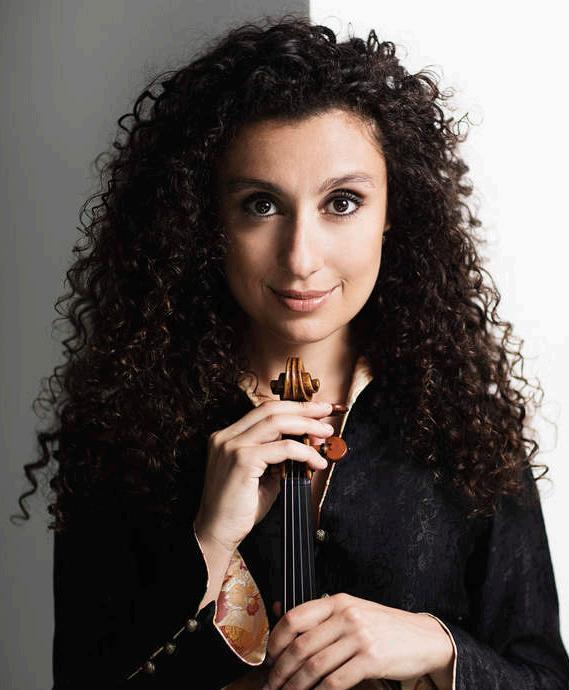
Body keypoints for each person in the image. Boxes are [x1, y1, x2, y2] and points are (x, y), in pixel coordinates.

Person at [13, 14, 569, 690]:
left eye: (343, 202)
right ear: (208, 219)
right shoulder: (120, 430)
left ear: (393, 210)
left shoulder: (469, 426)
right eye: (260, 205)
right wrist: (207, 542)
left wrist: (439, 646)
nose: (301, 258)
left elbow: (544, 676)